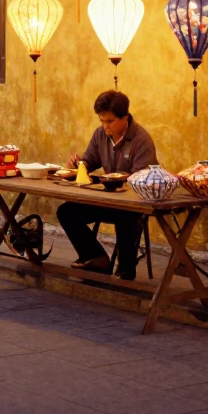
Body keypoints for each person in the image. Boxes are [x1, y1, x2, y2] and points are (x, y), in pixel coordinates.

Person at [57, 90, 157, 280]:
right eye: (102, 121)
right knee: (66, 212)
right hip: (106, 200)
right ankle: (96, 258)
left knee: (127, 217)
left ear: (125, 117)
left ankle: (126, 270)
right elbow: (89, 161)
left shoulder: (141, 140)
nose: (104, 126)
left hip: (132, 204)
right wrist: (78, 165)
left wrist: (122, 180)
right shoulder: (100, 135)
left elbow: (143, 178)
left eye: (109, 121)